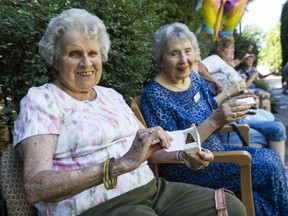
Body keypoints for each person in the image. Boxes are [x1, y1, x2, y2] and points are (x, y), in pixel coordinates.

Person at [11, 9, 247, 216]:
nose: (86, 63)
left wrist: (184, 156)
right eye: (75, 54)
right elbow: (35, 187)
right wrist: (119, 165)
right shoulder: (42, 99)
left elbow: (152, 150)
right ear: (55, 59)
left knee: (231, 206)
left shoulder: (110, 96)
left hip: (150, 191)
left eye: (93, 53)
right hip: (94, 206)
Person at [141, 22, 288, 216]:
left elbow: (214, 112)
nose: (183, 59)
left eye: (187, 51)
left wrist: (232, 111)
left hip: (217, 154)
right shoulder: (154, 95)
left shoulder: (193, 80)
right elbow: (169, 147)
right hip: (190, 168)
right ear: (160, 59)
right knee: (269, 164)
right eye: (174, 53)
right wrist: (214, 121)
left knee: (266, 178)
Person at [199, 36, 286, 164]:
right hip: (231, 109)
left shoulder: (226, 64)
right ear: (222, 50)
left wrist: (244, 94)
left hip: (238, 102)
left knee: (271, 119)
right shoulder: (215, 59)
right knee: (276, 126)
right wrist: (218, 84)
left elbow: (239, 61)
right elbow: (199, 68)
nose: (233, 53)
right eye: (231, 50)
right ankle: (278, 166)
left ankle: (277, 163)